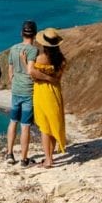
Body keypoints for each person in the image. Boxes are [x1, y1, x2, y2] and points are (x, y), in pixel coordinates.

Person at [23, 28, 66, 168]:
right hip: (55, 92)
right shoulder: (62, 60)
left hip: (42, 93)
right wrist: (51, 79)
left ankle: (48, 160)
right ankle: (51, 157)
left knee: (44, 127)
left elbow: (32, 73)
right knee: (53, 124)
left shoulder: (40, 58)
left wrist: (25, 62)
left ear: (44, 44)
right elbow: (57, 79)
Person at [5, 20, 39, 166]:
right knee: (25, 126)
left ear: (21, 33)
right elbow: (31, 71)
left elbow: (10, 70)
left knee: (13, 122)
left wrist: (14, 82)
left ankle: (9, 154)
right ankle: (24, 160)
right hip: (28, 91)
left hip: (16, 90)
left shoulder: (13, 48)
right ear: (35, 34)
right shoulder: (33, 50)